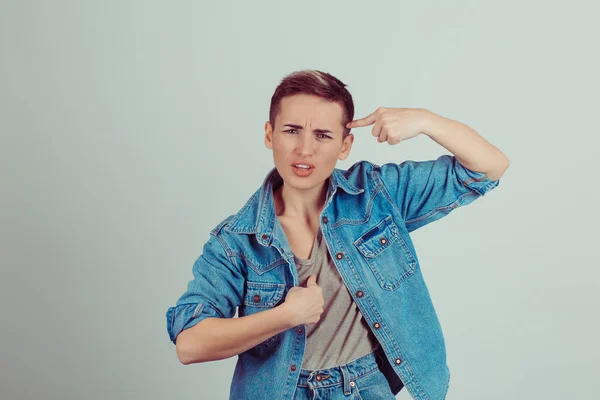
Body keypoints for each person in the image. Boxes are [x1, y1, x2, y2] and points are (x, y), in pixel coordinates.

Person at [165, 69, 509, 400]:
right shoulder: (238, 240)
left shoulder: (375, 196)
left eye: (323, 135)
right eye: (291, 131)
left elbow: (489, 167)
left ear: (345, 146)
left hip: (364, 389)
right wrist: (285, 316)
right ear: (269, 134)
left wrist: (425, 120)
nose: (304, 149)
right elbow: (190, 343)